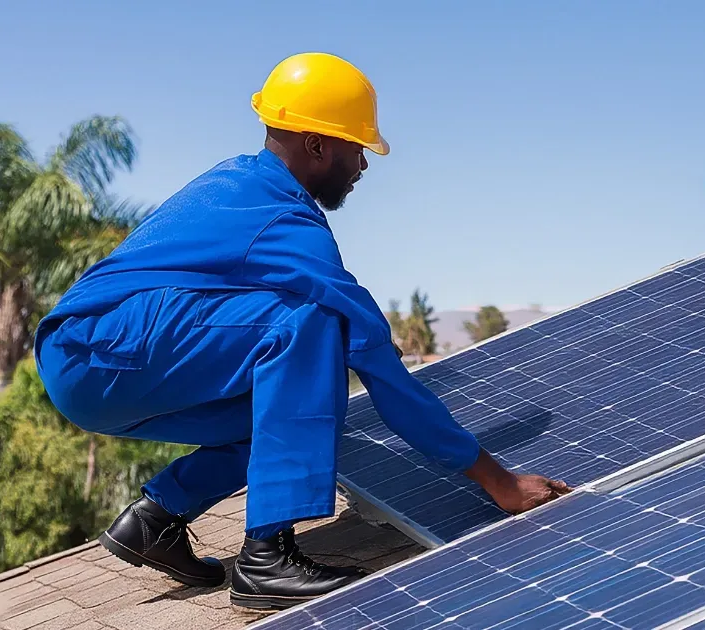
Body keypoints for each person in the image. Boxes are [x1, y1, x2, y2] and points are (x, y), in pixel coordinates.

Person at [33, 52, 570, 610]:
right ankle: (266, 557)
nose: (362, 165)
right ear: (317, 146)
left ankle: (156, 520)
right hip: (102, 346)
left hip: (90, 364)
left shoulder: (241, 182)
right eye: (356, 147)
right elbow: (380, 368)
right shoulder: (284, 221)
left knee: (288, 408)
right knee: (310, 324)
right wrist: (497, 481)